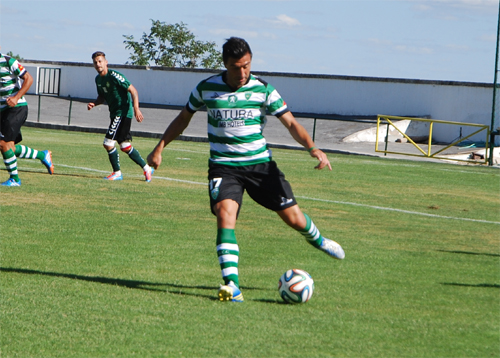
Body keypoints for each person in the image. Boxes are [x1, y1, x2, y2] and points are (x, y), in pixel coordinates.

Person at [147, 37, 345, 302]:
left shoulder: (263, 89)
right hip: (223, 167)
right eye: (236, 67)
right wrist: (160, 147)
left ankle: (318, 240)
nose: (242, 73)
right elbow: (183, 118)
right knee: (224, 214)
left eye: (247, 66)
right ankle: (232, 285)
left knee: (294, 219)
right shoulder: (206, 88)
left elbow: (290, 123)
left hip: (261, 167)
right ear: (225, 65)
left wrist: (313, 148)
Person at [87, 51, 153, 182]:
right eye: (95, 62)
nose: (98, 64)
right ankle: (147, 168)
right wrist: (94, 103)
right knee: (124, 145)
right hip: (115, 113)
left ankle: (117, 173)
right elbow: (102, 97)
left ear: (106, 62)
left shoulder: (114, 75)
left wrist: (136, 109)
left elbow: (133, 90)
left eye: (100, 61)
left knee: (108, 143)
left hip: (122, 112)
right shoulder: (98, 80)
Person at [0, 52, 54, 187]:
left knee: (3, 144)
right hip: (3, 111)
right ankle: (43, 155)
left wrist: (16, 98)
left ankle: (15, 179)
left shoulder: (8, 61)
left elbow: (29, 78)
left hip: (17, 107)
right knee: (9, 147)